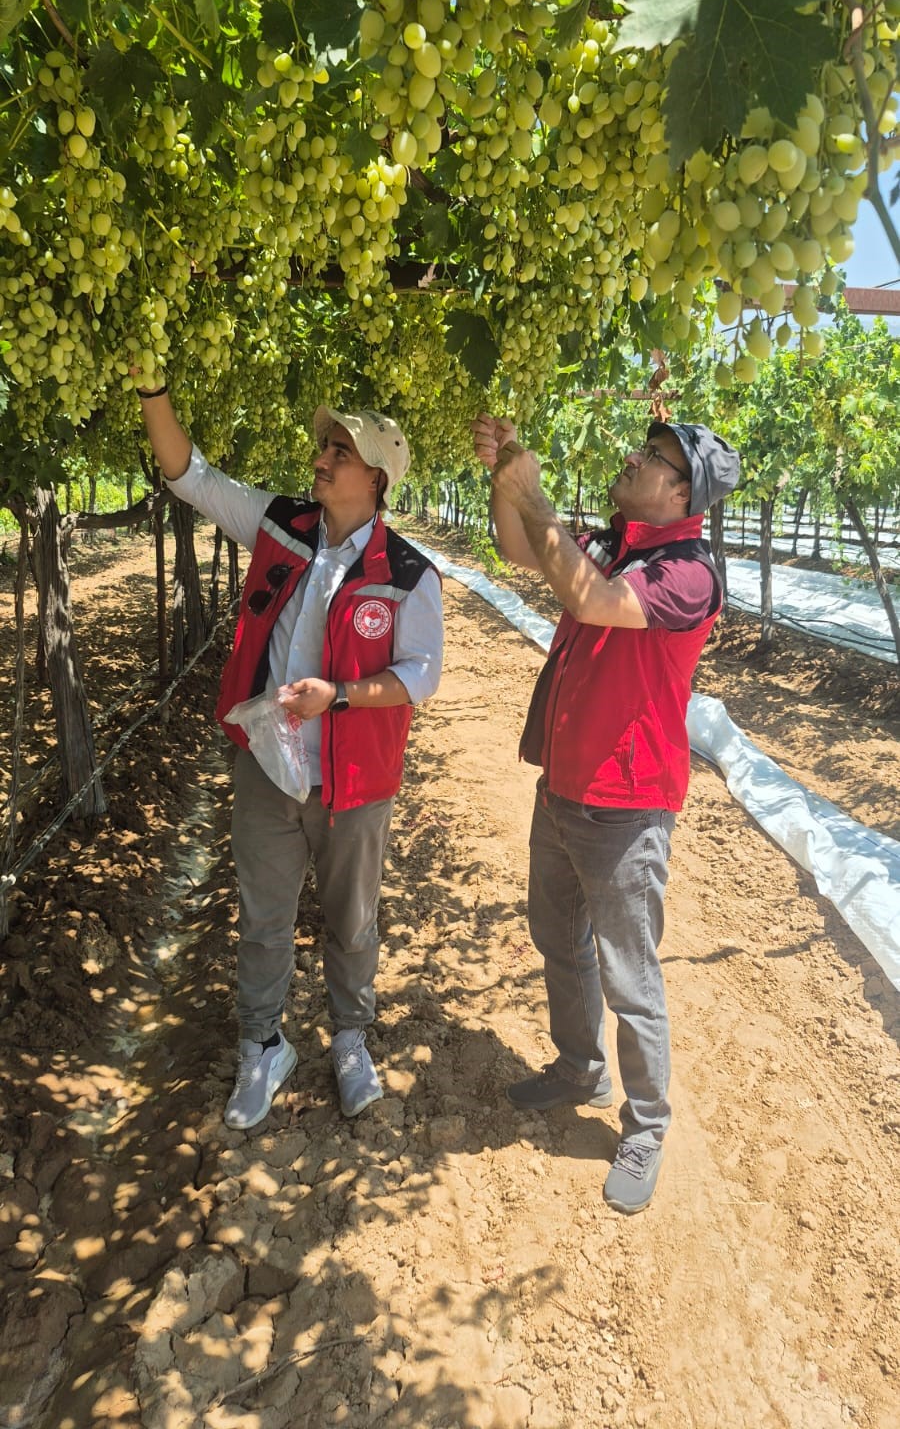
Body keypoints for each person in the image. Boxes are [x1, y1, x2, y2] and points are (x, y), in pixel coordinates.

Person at [139, 384, 443, 1126]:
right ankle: (262, 1044)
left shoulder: (408, 574)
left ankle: (350, 1038)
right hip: (270, 769)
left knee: (352, 921)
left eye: (341, 451)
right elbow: (192, 477)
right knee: (264, 917)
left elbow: (419, 676)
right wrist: (154, 391)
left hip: (354, 783)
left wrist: (339, 696)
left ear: (376, 478)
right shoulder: (281, 525)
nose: (322, 459)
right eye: (324, 446)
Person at [472, 412, 740, 1214]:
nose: (632, 456)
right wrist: (508, 476)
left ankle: (647, 1124)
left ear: (682, 492)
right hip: (563, 786)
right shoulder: (612, 544)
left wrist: (535, 497)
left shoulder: (689, 572)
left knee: (630, 973)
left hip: (626, 807)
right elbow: (520, 548)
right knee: (558, 938)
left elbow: (589, 602)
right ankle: (579, 1069)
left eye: (651, 456)